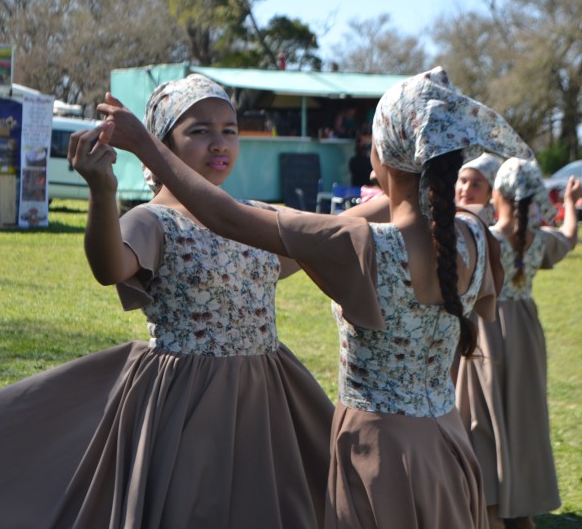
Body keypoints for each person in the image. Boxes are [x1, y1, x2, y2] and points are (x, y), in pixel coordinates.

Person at [0, 74, 335, 529]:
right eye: (199, 131)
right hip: (193, 400)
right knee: (196, 504)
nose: (219, 143)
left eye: (229, 131)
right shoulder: (154, 221)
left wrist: (398, 203)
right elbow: (109, 267)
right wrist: (101, 191)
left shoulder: (252, 216)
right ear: (162, 145)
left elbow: (330, 235)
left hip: (266, 394)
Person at [97, 66, 535, 528]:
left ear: (385, 159)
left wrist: (144, 146)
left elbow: (226, 219)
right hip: (448, 440)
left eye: (373, 149)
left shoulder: (362, 245)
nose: (368, 165)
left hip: (377, 452)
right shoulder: (473, 237)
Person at [456, 158, 581, 529]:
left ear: (497, 193)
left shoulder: (485, 237)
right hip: (526, 334)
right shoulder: (536, 240)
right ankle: (519, 505)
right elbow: (570, 238)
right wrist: (571, 202)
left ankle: (492, 507)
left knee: (482, 416)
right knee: (520, 418)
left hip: (488, 330)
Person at [456, 153, 503, 226]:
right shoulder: (441, 216)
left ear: (490, 193)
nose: (466, 189)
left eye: (475, 185)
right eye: (463, 181)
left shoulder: (496, 228)